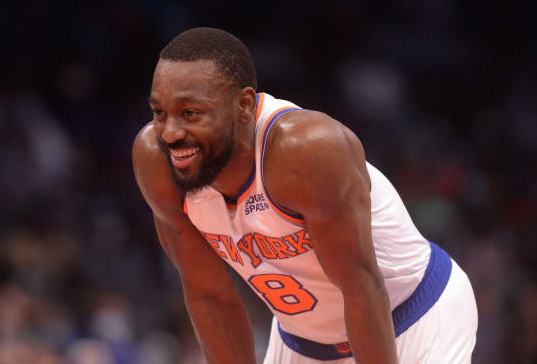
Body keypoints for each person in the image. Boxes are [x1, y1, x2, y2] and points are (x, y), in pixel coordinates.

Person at [132, 27, 478, 364]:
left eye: (191, 113)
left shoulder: (306, 152)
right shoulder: (157, 161)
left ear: (244, 105)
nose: (172, 133)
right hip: (304, 343)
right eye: (160, 113)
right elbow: (210, 298)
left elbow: (361, 289)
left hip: (409, 318)